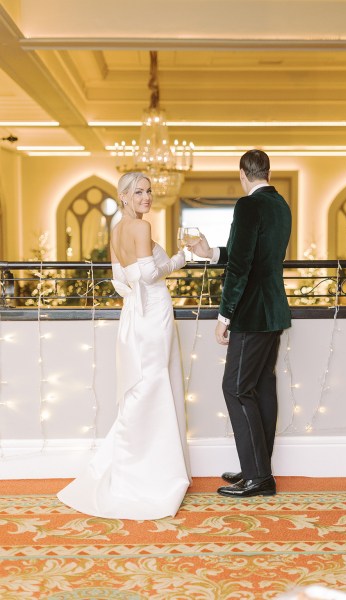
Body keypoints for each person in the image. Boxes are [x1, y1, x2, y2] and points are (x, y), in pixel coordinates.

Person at [58, 172, 191, 519]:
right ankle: (154, 475)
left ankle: (134, 466)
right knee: (154, 383)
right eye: (139, 192)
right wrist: (181, 258)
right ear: (124, 197)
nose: (147, 197)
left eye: (149, 191)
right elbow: (149, 274)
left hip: (133, 314)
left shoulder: (115, 231)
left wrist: (138, 293)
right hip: (154, 310)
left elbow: (120, 282)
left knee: (142, 386)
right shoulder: (141, 229)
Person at [191, 149, 291, 498]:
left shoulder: (247, 205)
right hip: (274, 310)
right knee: (261, 387)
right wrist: (211, 253)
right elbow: (247, 253)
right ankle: (258, 468)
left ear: (242, 174)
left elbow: (241, 267)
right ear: (266, 171)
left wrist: (224, 316)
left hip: (251, 312)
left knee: (235, 388)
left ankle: (259, 476)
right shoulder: (280, 204)